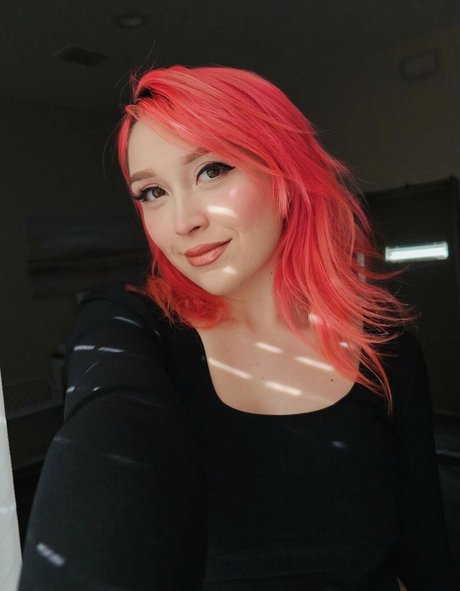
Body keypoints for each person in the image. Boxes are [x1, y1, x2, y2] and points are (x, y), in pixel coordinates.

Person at [18, 65, 460, 590]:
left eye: (211, 170)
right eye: (152, 192)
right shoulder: (129, 325)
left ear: (284, 174)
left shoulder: (387, 349)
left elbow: (426, 556)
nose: (182, 221)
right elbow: (101, 454)